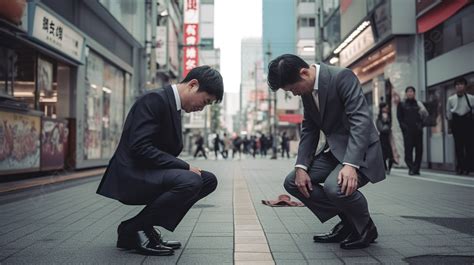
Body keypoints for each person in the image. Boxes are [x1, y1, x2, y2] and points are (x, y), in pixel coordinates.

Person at [96, 66, 224, 256]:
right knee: (191, 180)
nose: (201, 108)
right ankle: (133, 229)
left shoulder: (172, 105)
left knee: (208, 180)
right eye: (204, 101)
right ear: (192, 85)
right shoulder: (155, 100)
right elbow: (140, 147)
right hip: (132, 174)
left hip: (148, 172)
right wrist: (185, 166)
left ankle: (142, 226)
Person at [267, 54, 385, 250]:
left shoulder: (342, 77)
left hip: (361, 152)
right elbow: (310, 128)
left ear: (304, 73)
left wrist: (350, 165)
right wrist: (301, 166)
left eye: (293, 89)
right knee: (294, 182)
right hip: (334, 151)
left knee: (335, 187)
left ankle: (365, 227)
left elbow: (360, 121)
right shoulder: (307, 90)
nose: (294, 94)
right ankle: (349, 221)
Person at [397, 86, 428, 175]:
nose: (410, 93)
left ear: (414, 93)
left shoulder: (418, 104)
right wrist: (404, 129)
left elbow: (425, 115)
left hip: (418, 131)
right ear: (406, 93)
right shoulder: (402, 104)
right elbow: (399, 118)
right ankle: (411, 168)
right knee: (408, 151)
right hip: (408, 132)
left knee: (419, 150)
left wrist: (421, 125)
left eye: (412, 91)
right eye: (408, 91)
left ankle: (416, 168)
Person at [446, 77, 474, 175]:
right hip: (456, 122)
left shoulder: (471, 98)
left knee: (469, 146)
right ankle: (460, 167)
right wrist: (449, 127)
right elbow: (448, 113)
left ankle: (468, 167)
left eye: (461, 84)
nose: (459, 86)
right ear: (455, 87)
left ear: (465, 86)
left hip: (468, 122)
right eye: (457, 85)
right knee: (459, 147)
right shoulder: (451, 99)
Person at [376, 103, 395, 174]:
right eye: (385, 108)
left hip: (389, 137)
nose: (386, 109)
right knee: (383, 154)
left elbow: (389, 127)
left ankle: (389, 168)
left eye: (387, 108)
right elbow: (380, 128)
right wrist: (386, 126)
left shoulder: (389, 116)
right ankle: (385, 168)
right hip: (382, 137)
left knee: (391, 155)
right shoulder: (379, 118)